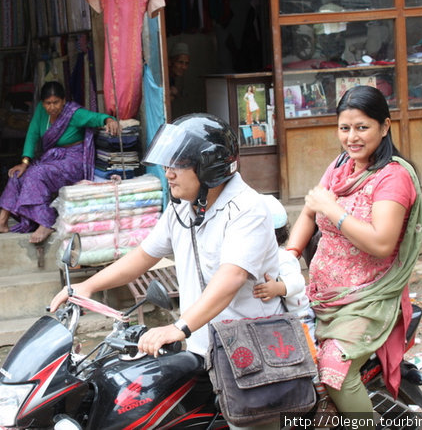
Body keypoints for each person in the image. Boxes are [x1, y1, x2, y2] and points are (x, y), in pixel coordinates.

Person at [50, 113, 284, 430]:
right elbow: (144, 255)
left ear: (209, 167)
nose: (168, 174)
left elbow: (231, 278)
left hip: (248, 354)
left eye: (178, 165)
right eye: (166, 165)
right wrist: (86, 288)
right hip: (203, 349)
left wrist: (179, 327)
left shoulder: (247, 210)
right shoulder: (183, 209)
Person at [286, 85, 422, 427]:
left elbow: (380, 243)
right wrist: (289, 255)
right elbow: (308, 212)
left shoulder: (393, 177)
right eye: (344, 128)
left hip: (368, 299)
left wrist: (333, 209)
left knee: (336, 375)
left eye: (362, 127)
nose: (352, 137)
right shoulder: (340, 166)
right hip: (324, 296)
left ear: (385, 127)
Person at [0, 81, 120, 244]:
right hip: (52, 159)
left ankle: (46, 222)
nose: (52, 107)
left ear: (64, 101)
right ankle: (2, 222)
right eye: (48, 103)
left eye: (56, 102)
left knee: (37, 174)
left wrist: (110, 120)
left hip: (73, 161)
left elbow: (97, 118)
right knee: (18, 174)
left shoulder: (74, 113)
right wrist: (25, 162)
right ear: (42, 103)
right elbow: (32, 134)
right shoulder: (41, 111)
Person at [253, 195, 315, 339]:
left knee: (308, 351)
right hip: (280, 322)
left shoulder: (282, 258)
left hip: (300, 317)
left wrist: (277, 288)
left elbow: (298, 282)